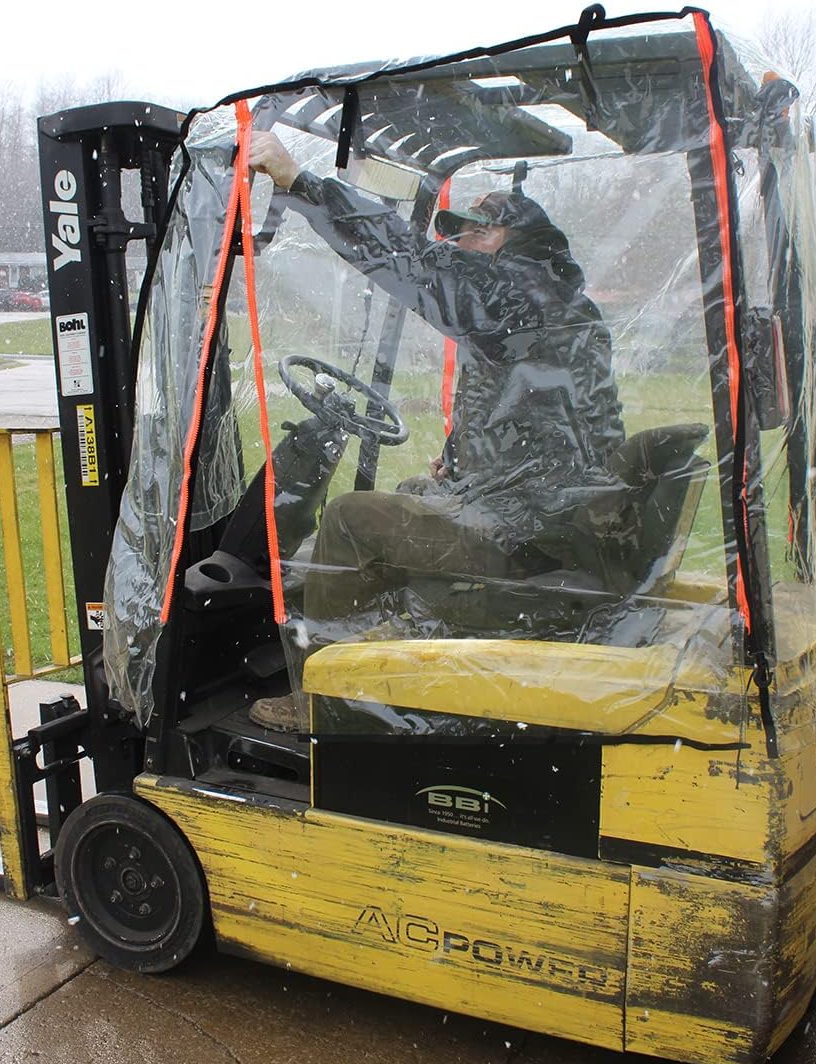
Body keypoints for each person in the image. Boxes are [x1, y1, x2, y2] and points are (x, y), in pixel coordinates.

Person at [246, 131, 632, 732]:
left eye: (477, 232)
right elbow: (536, 407)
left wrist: (303, 185)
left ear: (515, 239)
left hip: (527, 536)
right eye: (457, 233)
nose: (460, 244)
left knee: (347, 519)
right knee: (411, 492)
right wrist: (462, 461)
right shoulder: (556, 304)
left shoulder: (515, 290)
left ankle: (326, 698)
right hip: (552, 522)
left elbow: (410, 261)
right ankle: (385, 654)